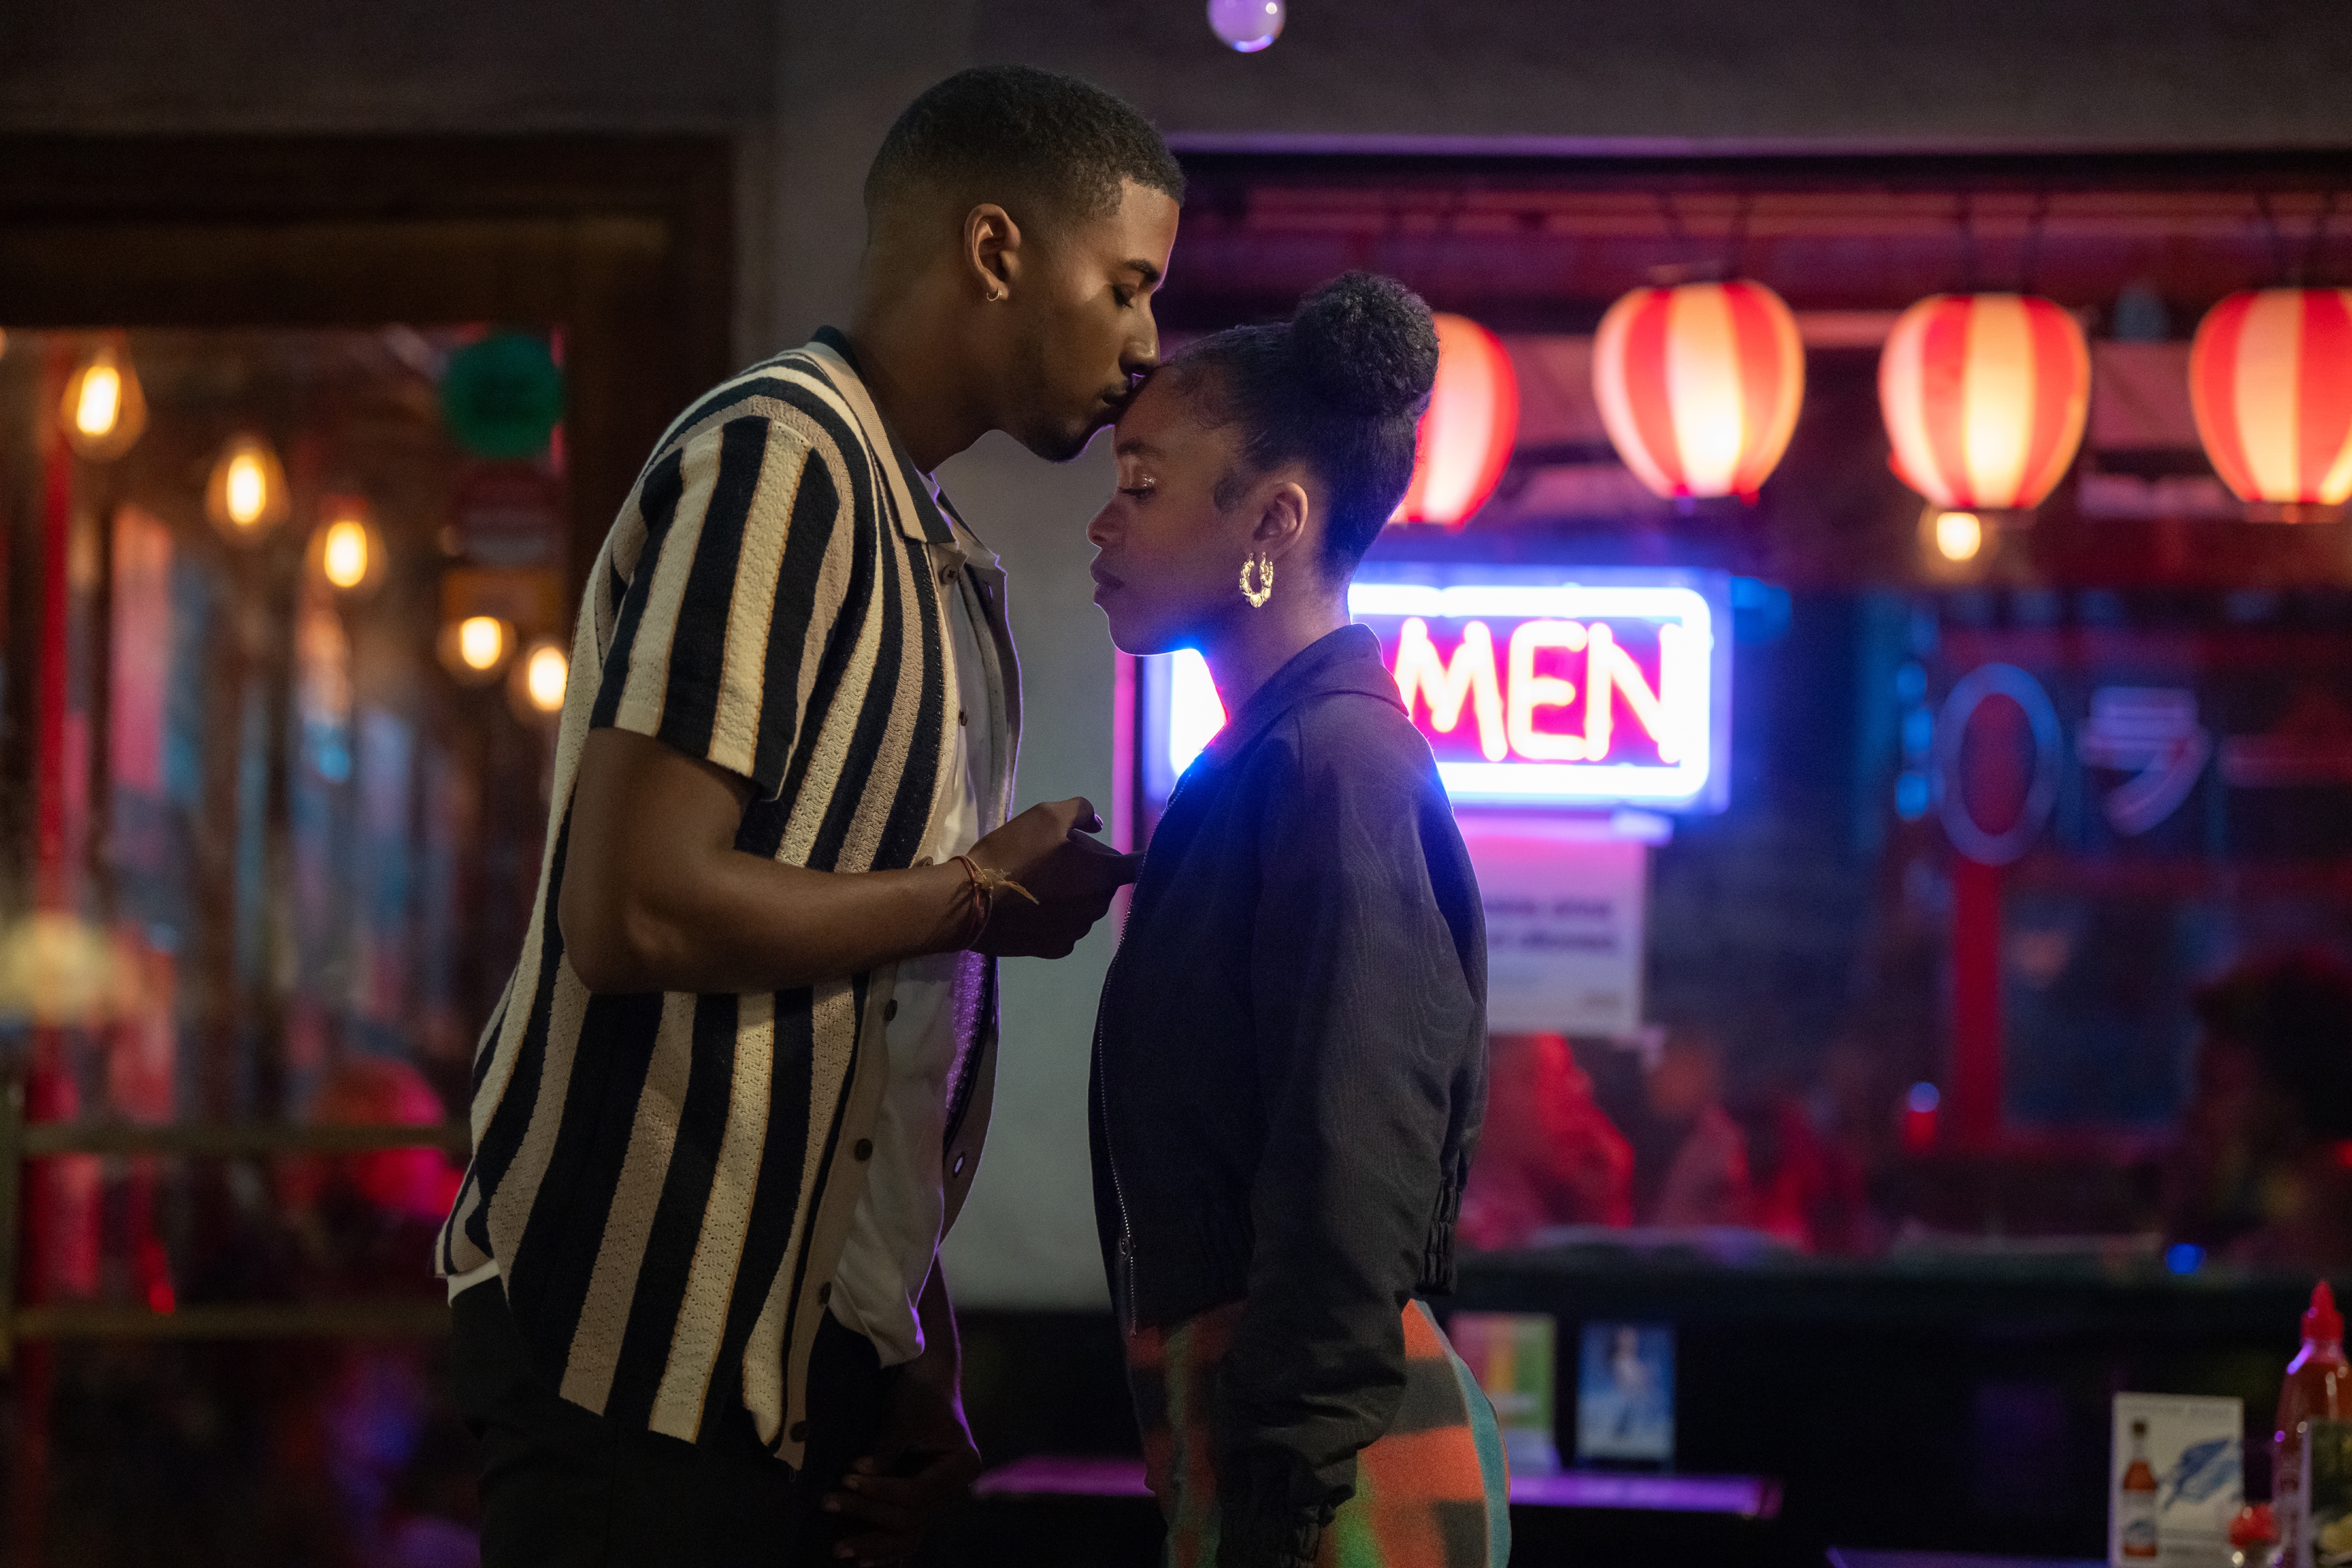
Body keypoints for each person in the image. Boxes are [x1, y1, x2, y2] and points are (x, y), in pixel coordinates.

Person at [434, 66, 1182, 1568]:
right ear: (995, 252)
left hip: (789, 1354)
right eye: (1127, 287)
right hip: (633, 1335)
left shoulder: (946, 559)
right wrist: (972, 893)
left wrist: (909, 1338)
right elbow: (632, 908)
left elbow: (883, 1031)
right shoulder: (780, 460)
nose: (1147, 346)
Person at [1087, 273, 1507, 1568]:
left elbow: (1357, 1135)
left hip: (1327, 1466)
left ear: (1276, 516)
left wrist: (1292, 1470)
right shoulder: (1282, 760)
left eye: (1145, 483)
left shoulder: (1336, 769)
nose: (1103, 521)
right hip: (1282, 1436)